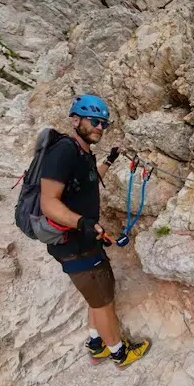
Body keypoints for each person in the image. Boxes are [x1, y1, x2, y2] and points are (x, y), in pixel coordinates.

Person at [39, 94, 150, 369]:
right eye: (94, 121)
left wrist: (109, 160)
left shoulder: (82, 152)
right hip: (74, 245)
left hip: (83, 241)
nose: (100, 127)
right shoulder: (63, 151)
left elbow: (89, 180)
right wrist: (83, 223)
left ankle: (96, 343)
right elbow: (48, 202)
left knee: (96, 296)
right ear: (75, 120)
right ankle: (119, 353)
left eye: (104, 123)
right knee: (103, 302)